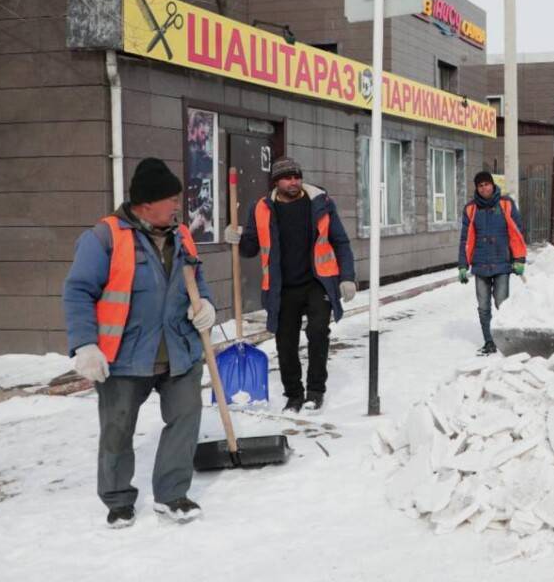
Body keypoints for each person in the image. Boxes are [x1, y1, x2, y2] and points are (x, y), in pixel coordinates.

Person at [63, 158, 216, 528]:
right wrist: (85, 344)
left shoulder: (182, 235)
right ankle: (117, 499)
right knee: (117, 429)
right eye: (172, 199)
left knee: (184, 420)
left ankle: (172, 494)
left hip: (179, 351)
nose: (178, 206)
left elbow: (197, 278)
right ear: (147, 204)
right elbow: (77, 291)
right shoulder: (104, 238)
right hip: (125, 357)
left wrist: (207, 304)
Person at [227, 157, 355, 413]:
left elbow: (340, 241)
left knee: (318, 332)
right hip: (282, 287)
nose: (294, 182)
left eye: (297, 177)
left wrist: (348, 276)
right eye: (288, 178)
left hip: (317, 282)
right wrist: (236, 237)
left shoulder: (321, 203)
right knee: (285, 341)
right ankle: (294, 394)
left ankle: (315, 391)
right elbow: (250, 248)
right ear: (276, 182)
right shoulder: (261, 208)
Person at [458, 171, 527, 356]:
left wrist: (519, 259)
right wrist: (463, 265)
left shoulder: (506, 204)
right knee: (483, 307)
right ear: (477, 188)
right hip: (480, 265)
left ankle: (506, 340)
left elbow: (517, 232)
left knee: (502, 303)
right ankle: (489, 342)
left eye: (487, 184)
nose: (484, 188)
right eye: (480, 185)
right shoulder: (471, 209)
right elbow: (465, 239)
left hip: (502, 263)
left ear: (492, 185)